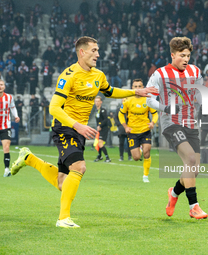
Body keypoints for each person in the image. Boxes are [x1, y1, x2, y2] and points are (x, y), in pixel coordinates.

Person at [9, 36, 157, 228]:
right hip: (64, 127)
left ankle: (29, 158)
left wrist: (135, 92)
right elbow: (54, 108)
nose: (98, 54)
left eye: (98, 50)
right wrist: (77, 125)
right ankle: (63, 218)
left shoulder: (98, 75)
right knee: (79, 167)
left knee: (63, 182)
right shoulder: (68, 75)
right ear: (82, 52)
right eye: (94, 50)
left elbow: (110, 91)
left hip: (78, 131)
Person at [146, 36, 208, 219]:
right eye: (182, 55)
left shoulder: (195, 71)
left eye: (188, 55)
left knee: (193, 169)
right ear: (172, 55)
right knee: (189, 159)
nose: (186, 59)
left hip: (190, 123)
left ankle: (173, 193)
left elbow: (200, 93)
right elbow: (149, 99)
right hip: (171, 123)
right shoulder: (160, 74)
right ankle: (194, 206)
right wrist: (165, 107)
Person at [119, 78, 158, 182]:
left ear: (143, 87)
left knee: (147, 152)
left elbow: (155, 113)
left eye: (139, 86)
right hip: (132, 132)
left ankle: (145, 176)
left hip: (145, 130)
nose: (137, 88)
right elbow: (121, 114)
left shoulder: (148, 99)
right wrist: (125, 126)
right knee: (136, 157)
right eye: (135, 86)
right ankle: (139, 149)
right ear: (132, 88)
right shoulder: (127, 100)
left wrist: (152, 123)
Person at [94, 96, 111, 162]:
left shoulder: (103, 110)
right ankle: (99, 156)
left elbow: (106, 119)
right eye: (96, 101)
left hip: (104, 129)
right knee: (98, 143)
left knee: (100, 143)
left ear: (101, 102)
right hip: (99, 129)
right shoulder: (96, 111)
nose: (97, 102)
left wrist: (100, 125)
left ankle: (107, 158)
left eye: (98, 101)